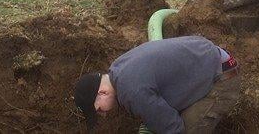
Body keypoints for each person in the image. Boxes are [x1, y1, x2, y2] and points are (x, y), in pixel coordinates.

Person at [74, 35, 241, 133]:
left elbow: (173, 129)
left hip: (222, 78)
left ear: (102, 92)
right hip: (206, 61)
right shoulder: (118, 68)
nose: (103, 114)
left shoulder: (131, 92)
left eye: (99, 110)